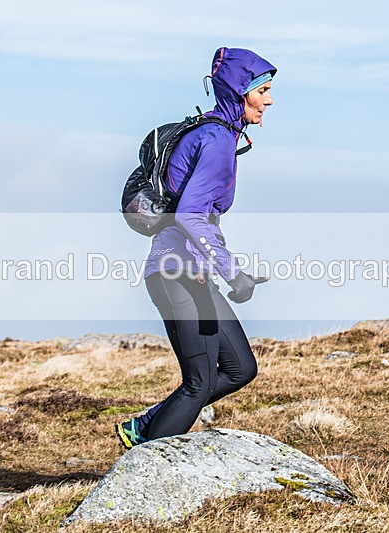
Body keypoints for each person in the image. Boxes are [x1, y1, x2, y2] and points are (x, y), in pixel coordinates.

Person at [115, 47, 276, 448]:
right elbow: (190, 216)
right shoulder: (216, 138)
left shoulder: (215, 132)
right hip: (175, 275)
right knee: (199, 381)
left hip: (192, 272)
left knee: (240, 368)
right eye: (264, 90)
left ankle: (144, 426)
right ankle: (146, 477)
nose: (270, 100)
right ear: (241, 91)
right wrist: (233, 272)